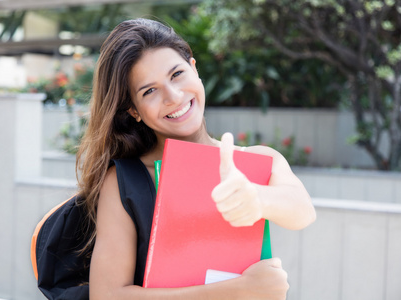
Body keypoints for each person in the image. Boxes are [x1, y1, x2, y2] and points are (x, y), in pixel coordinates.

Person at [75, 18, 316, 300]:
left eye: (176, 74)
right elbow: (107, 296)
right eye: (149, 91)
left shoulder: (255, 161)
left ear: (194, 68)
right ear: (134, 111)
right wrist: (238, 291)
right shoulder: (125, 181)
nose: (174, 96)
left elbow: (303, 210)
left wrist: (257, 199)